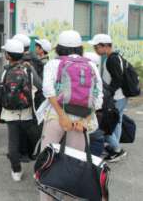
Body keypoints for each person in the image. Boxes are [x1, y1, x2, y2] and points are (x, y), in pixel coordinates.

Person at [37, 30, 103, 201]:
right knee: (75, 164)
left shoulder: (54, 63)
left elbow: (48, 90)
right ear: (80, 48)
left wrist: (62, 116)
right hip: (81, 121)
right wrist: (85, 120)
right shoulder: (91, 65)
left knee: (47, 160)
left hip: (56, 117)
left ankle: (47, 198)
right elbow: (98, 97)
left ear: (59, 47)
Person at [0, 38, 42, 181]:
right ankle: (39, 171)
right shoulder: (28, 69)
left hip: (10, 114)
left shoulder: (3, 72)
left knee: (13, 144)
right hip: (27, 112)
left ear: (8, 56)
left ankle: (16, 171)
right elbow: (40, 86)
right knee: (36, 142)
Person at [90, 33, 128, 162]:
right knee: (116, 123)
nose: (95, 50)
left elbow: (118, 79)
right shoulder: (114, 57)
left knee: (108, 124)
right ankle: (114, 149)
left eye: (97, 47)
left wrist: (108, 94)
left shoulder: (112, 59)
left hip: (116, 97)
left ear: (105, 46)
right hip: (120, 96)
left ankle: (117, 149)